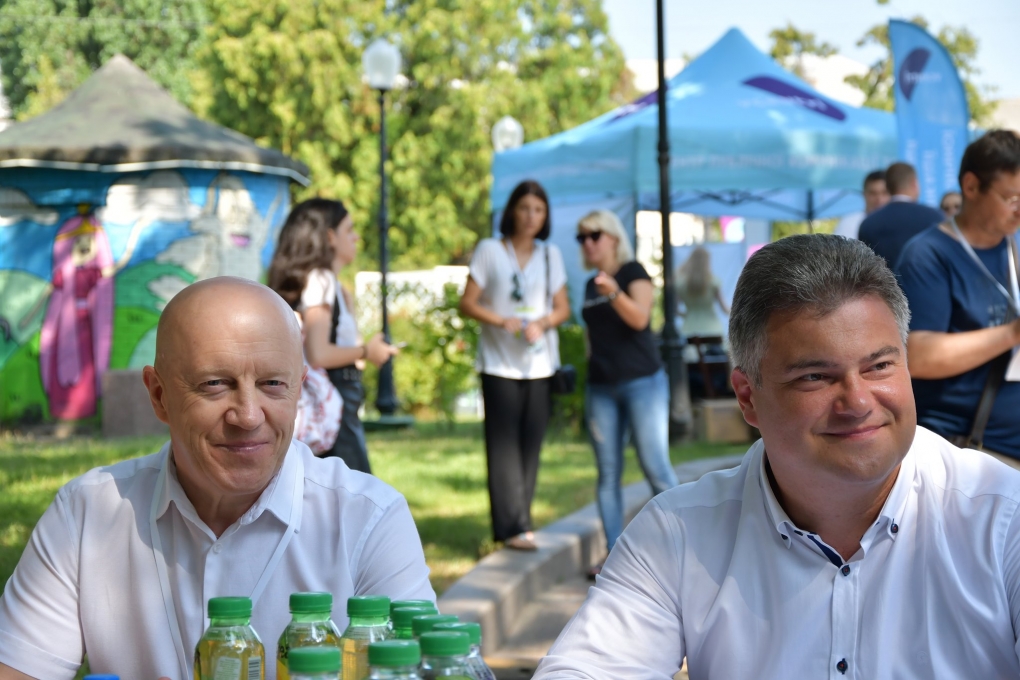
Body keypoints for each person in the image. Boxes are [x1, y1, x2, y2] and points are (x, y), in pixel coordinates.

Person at [534, 234, 1020, 679]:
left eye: (879, 366)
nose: (857, 402)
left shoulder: (1002, 518)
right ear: (747, 397)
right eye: (815, 377)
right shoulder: (677, 536)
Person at [0, 278, 434, 680]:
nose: (248, 416)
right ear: (159, 396)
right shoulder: (87, 515)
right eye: (214, 384)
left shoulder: (368, 519)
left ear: (299, 389)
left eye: (272, 384)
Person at [458, 180, 571, 550]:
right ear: (512, 211)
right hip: (499, 363)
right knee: (503, 446)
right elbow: (468, 302)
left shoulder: (550, 255)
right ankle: (511, 528)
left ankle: (523, 520)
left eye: (538, 210)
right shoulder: (490, 250)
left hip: (539, 364)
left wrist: (543, 323)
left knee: (530, 445)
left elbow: (562, 307)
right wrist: (500, 320)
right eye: (524, 208)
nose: (531, 217)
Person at [897, 130, 1020, 461]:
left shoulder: (1012, 245)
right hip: (971, 453)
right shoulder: (928, 255)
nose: (1019, 210)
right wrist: (1012, 333)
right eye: (1012, 198)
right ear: (971, 186)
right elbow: (918, 356)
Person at [576, 210, 677, 579]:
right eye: (582, 238)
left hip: (642, 382)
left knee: (655, 466)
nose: (587, 243)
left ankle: (684, 546)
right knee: (608, 473)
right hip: (601, 387)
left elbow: (640, 319)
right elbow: (593, 336)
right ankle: (614, 555)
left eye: (594, 235)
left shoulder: (632, 272)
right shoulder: (590, 284)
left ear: (614, 238)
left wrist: (614, 293)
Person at [268, 198, 398, 474]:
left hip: (333, 403)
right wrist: (367, 351)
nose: (356, 237)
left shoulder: (328, 284)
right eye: (349, 230)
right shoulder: (321, 280)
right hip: (332, 406)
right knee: (349, 488)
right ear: (330, 237)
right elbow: (319, 353)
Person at [858, 161, 945, 267]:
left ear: (888, 187)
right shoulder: (935, 217)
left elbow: (864, 268)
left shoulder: (868, 224)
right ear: (914, 184)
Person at [675, 246, 729, 338]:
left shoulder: (681, 284)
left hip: (689, 330)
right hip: (712, 330)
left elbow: (675, 310)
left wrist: (688, 315)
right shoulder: (713, 282)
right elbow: (724, 309)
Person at [833, 169, 890, 240]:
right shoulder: (849, 224)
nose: (879, 199)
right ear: (864, 194)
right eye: (873, 193)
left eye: (884, 193)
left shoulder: (898, 223)